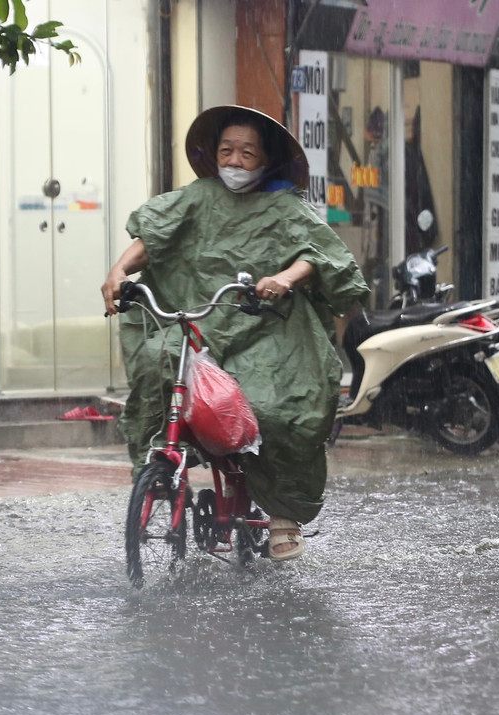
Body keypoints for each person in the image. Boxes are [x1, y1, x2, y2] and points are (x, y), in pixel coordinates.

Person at [101, 106, 370, 561]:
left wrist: (285, 279)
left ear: (266, 160)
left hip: (266, 328)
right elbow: (154, 235)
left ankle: (283, 513)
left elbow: (319, 256)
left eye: (247, 152)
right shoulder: (198, 197)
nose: (235, 161)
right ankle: (160, 468)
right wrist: (118, 271)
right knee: (157, 365)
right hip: (199, 323)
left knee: (275, 407)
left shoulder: (286, 207)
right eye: (227, 150)